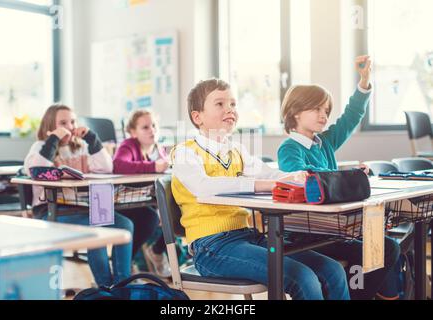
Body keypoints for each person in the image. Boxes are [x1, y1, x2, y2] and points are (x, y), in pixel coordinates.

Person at [171, 79, 351, 300]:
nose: (230, 109)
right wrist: (262, 184)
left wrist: (296, 177)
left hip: (247, 237)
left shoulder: (236, 150)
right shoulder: (184, 152)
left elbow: (268, 174)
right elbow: (203, 187)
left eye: (233, 104)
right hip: (211, 247)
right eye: (220, 104)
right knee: (302, 278)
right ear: (197, 116)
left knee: (332, 270)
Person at [278, 56, 401, 300]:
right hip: (307, 235)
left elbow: (351, 116)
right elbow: (305, 179)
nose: (323, 115)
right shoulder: (289, 149)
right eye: (316, 109)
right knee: (379, 249)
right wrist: (348, 177)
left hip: (333, 230)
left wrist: (364, 82)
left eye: (326, 110)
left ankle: (360, 295)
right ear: (295, 112)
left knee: (388, 246)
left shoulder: (324, 142)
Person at [24, 104, 133, 287]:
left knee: (125, 224)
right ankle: (105, 286)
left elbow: (106, 168)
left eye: (73, 121)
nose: (70, 126)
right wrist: (53, 140)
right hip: (52, 211)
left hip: (84, 208)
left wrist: (92, 139)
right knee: (97, 228)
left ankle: (122, 284)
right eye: (63, 123)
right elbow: (36, 169)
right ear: (51, 125)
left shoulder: (80, 147)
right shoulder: (40, 146)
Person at [113, 110, 171, 278]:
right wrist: (152, 167)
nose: (152, 130)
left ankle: (158, 251)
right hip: (122, 202)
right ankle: (127, 263)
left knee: (178, 211)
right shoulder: (128, 145)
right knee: (149, 219)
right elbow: (118, 165)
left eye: (154, 125)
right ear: (132, 132)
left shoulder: (160, 150)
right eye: (145, 127)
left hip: (146, 201)